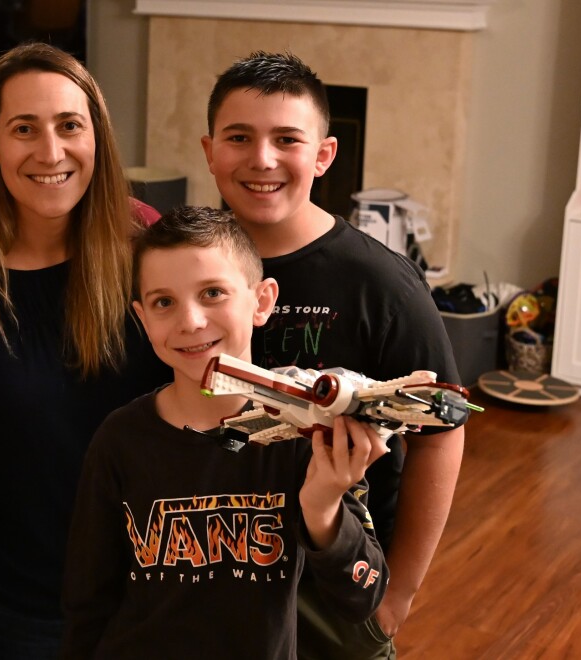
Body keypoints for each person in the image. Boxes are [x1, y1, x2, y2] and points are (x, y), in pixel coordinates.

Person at [201, 52, 466, 656]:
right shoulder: (190, 265)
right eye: (239, 137)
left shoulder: (383, 284)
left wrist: (400, 594)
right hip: (216, 572)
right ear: (210, 150)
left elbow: (441, 432)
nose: (262, 159)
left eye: (286, 139)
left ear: (323, 155)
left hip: (336, 586)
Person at [0, 42, 168, 658]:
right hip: (17, 606)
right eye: (24, 129)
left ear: (96, 136)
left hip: (154, 590)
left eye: (69, 126)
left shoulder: (147, 244)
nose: (50, 152)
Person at [60, 206, 389, 658]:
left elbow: (361, 596)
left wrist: (323, 507)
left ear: (262, 301)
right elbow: (86, 603)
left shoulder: (308, 433)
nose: (190, 321)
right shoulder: (119, 442)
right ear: (141, 317)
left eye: (213, 292)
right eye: (163, 302)